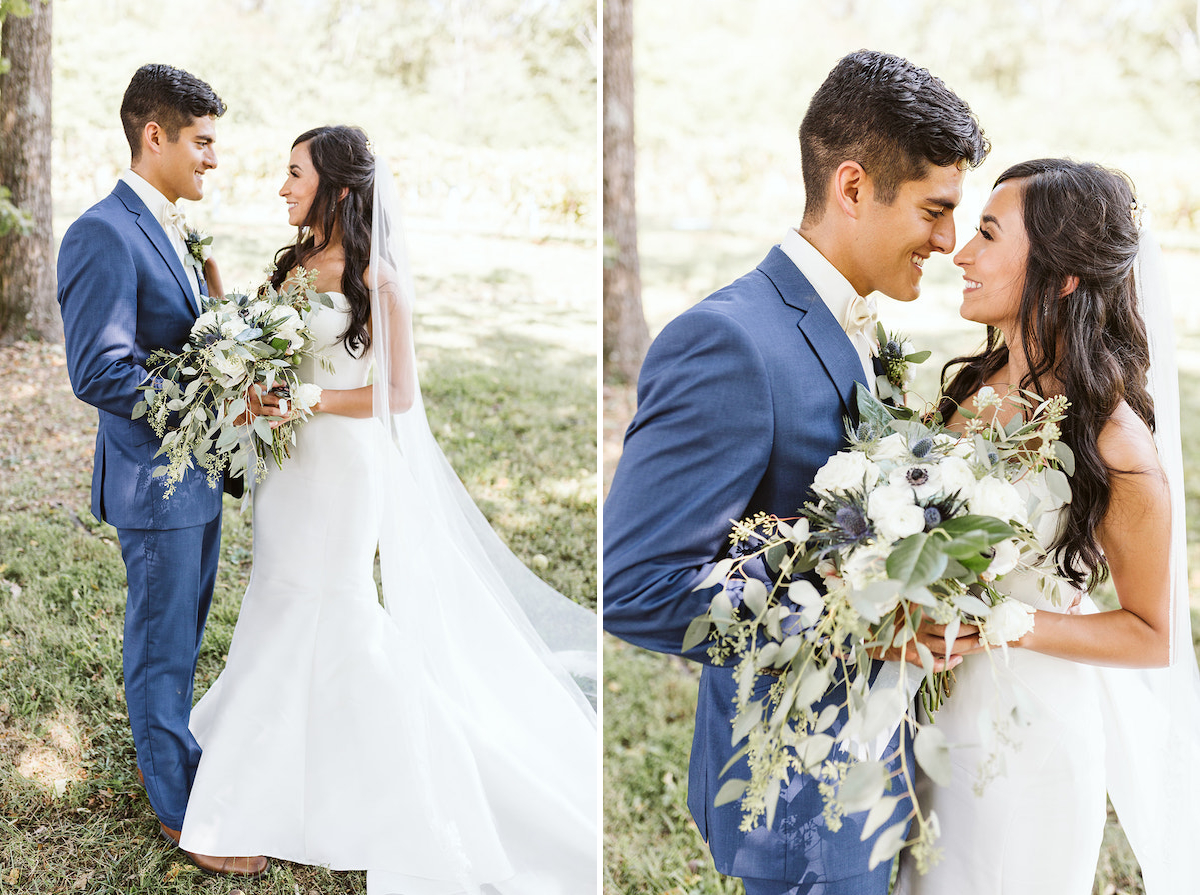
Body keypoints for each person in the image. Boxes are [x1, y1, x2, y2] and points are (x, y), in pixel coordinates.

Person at [603, 50, 988, 895]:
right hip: (796, 805)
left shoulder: (853, 322)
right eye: (934, 210)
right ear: (853, 188)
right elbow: (632, 586)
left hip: (869, 768)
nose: (947, 241)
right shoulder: (731, 343)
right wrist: (858, 622)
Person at [176, 125, 598, 895]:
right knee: (275, 602)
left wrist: (310, 396)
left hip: (342, 474)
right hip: (286, 472)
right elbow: (271, 352)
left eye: (294, 173)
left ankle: (360, 779)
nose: (282, 187)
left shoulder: (380, 280)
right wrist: (249, 378)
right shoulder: (294, 265)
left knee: (334, 610)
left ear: (338, 186)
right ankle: (267, 755)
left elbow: (397, 394)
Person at [895, 159, 1200, 894]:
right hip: (931, 716)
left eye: (988, 235)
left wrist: (1009, 621)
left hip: (1025, 743)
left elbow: (1151, 634)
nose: (961, 253)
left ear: (1061, 275)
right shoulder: (978, 382)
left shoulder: (1117, 447)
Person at [56, 64, 267, 877]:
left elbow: (179, 341)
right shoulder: (102, 232)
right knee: (161, 644)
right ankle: (185, 818)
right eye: (202, 142)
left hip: (196, 477)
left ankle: (183, 764)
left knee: (181, 636)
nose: (212, 159)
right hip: (156, 481)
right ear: (156, 135)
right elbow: (100, 370)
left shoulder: (170, 226)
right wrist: (213, 409)